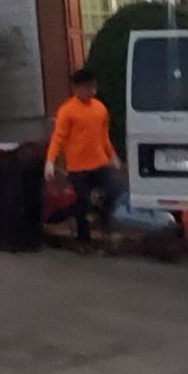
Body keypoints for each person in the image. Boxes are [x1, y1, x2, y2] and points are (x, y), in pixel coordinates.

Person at [47, 65, 117, 250]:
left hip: (100, 162)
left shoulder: (100, 108)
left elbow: (104, 136)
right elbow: (58, 138)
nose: (92, 91)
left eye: (94, 87)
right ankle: (83, 238)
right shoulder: (67, 111)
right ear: (77, 88)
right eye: (88, 87)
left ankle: (104, 225)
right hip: (78, 166)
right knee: (83, 201)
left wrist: (113, 156)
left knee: (113, 191)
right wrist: (50, 161)